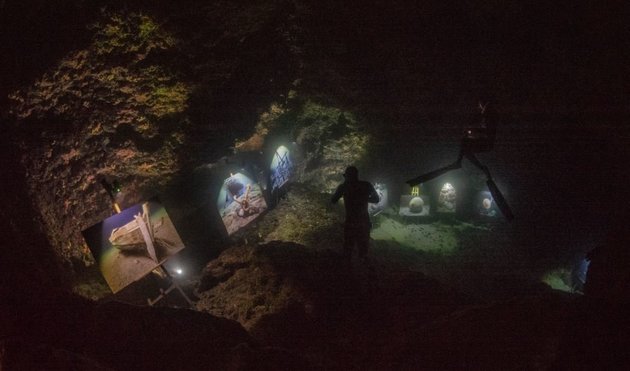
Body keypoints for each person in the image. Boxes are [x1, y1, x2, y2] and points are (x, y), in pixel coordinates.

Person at [331, 166, 380, 262]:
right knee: (363, 250)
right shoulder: (366, 185)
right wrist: (364, 198)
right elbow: (376, 199)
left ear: (347, 176)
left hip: (350, 222)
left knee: (348, 249)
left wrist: (344, 189)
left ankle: (348, 272)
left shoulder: (344, 187)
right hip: (364, 221)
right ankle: (363, 273)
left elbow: (333, 200)